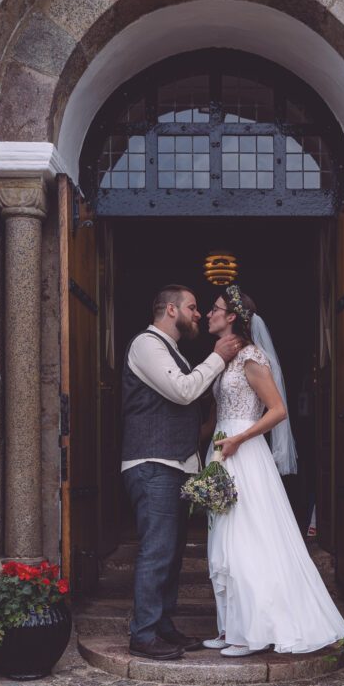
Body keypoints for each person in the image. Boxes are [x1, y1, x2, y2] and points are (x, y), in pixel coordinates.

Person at [203, 285, 344, 656]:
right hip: (223, 450)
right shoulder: (224, 358)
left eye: (215, 309)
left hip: (245, 452)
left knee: (247, 539)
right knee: (224, 540)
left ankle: (250, 633)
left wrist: (240, 439)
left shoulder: (252, 356)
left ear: (232, 316)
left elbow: (278, 410)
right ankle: (231, 626)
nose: (208, 314)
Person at [122, 283, 241, 661]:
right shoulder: (146, 344)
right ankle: (142, 634)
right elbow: (182, 391)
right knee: (157, 551)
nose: (197, 313)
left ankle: (162, 626)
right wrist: (218, 357)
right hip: (152, 463)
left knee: (171, 553)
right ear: (170, 310)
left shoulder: (172, 350)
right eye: (191, 307)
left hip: (175, 464)